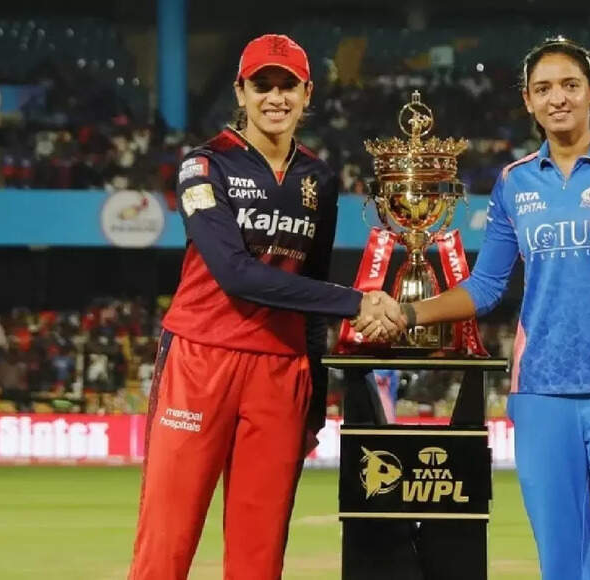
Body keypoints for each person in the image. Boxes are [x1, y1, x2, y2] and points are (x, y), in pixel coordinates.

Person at [357, 36, 590, 580]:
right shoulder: (515, 182)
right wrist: (408, 312)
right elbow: (487, 285)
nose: (557, 98)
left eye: (570, 85)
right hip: (540, 392)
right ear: (528, 100)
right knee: (560, 565)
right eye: (544, 89)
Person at [128, 34, 402, 580]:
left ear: (307, 94)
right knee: (166, 544)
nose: (275, 98)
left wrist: (314, 398)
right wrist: (356, 302)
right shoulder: (204, 165)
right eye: (262, 85)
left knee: (260, 555)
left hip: (281, 372)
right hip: (200, 360)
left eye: (287, 86)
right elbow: (235, 274)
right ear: (241, 91)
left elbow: (312, 285)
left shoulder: (319, 179)